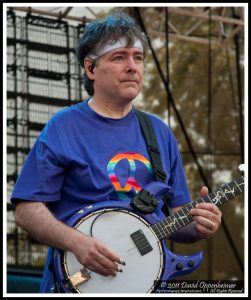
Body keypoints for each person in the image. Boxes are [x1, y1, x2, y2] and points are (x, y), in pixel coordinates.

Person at [10, 11, 222, 293]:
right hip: (76, 283)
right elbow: (27, 211)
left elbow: (177, 215)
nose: (133, 66)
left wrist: (199, 225)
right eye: (119, 57)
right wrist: (77, 242)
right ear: (91, 68)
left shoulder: (158, 133)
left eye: (138, 57)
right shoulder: (63, 127)